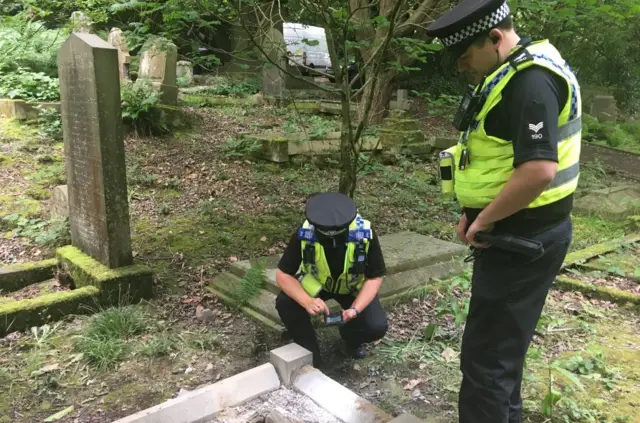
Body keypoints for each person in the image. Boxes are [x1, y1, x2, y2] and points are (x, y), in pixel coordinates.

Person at [426, 1, 581, 422]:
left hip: (521, 241)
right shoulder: (510, 72)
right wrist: (473, 211)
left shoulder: (530, 82)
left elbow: (538, 170)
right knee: (500, 357)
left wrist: (487, 216)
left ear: (495, 39)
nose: (461, 67)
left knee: (486, 364)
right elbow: (497, 158)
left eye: (465, 56)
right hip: (515, 233)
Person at [275, 192, 388, 367]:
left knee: (376, 326)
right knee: (285, 302)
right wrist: (307, 301)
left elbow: (375, 277)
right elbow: (283, 274)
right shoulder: (305, 233)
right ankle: (311, 355)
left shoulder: (364, 233)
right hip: (317, 284)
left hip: (351, 286)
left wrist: (354, 310)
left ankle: (350, 339)